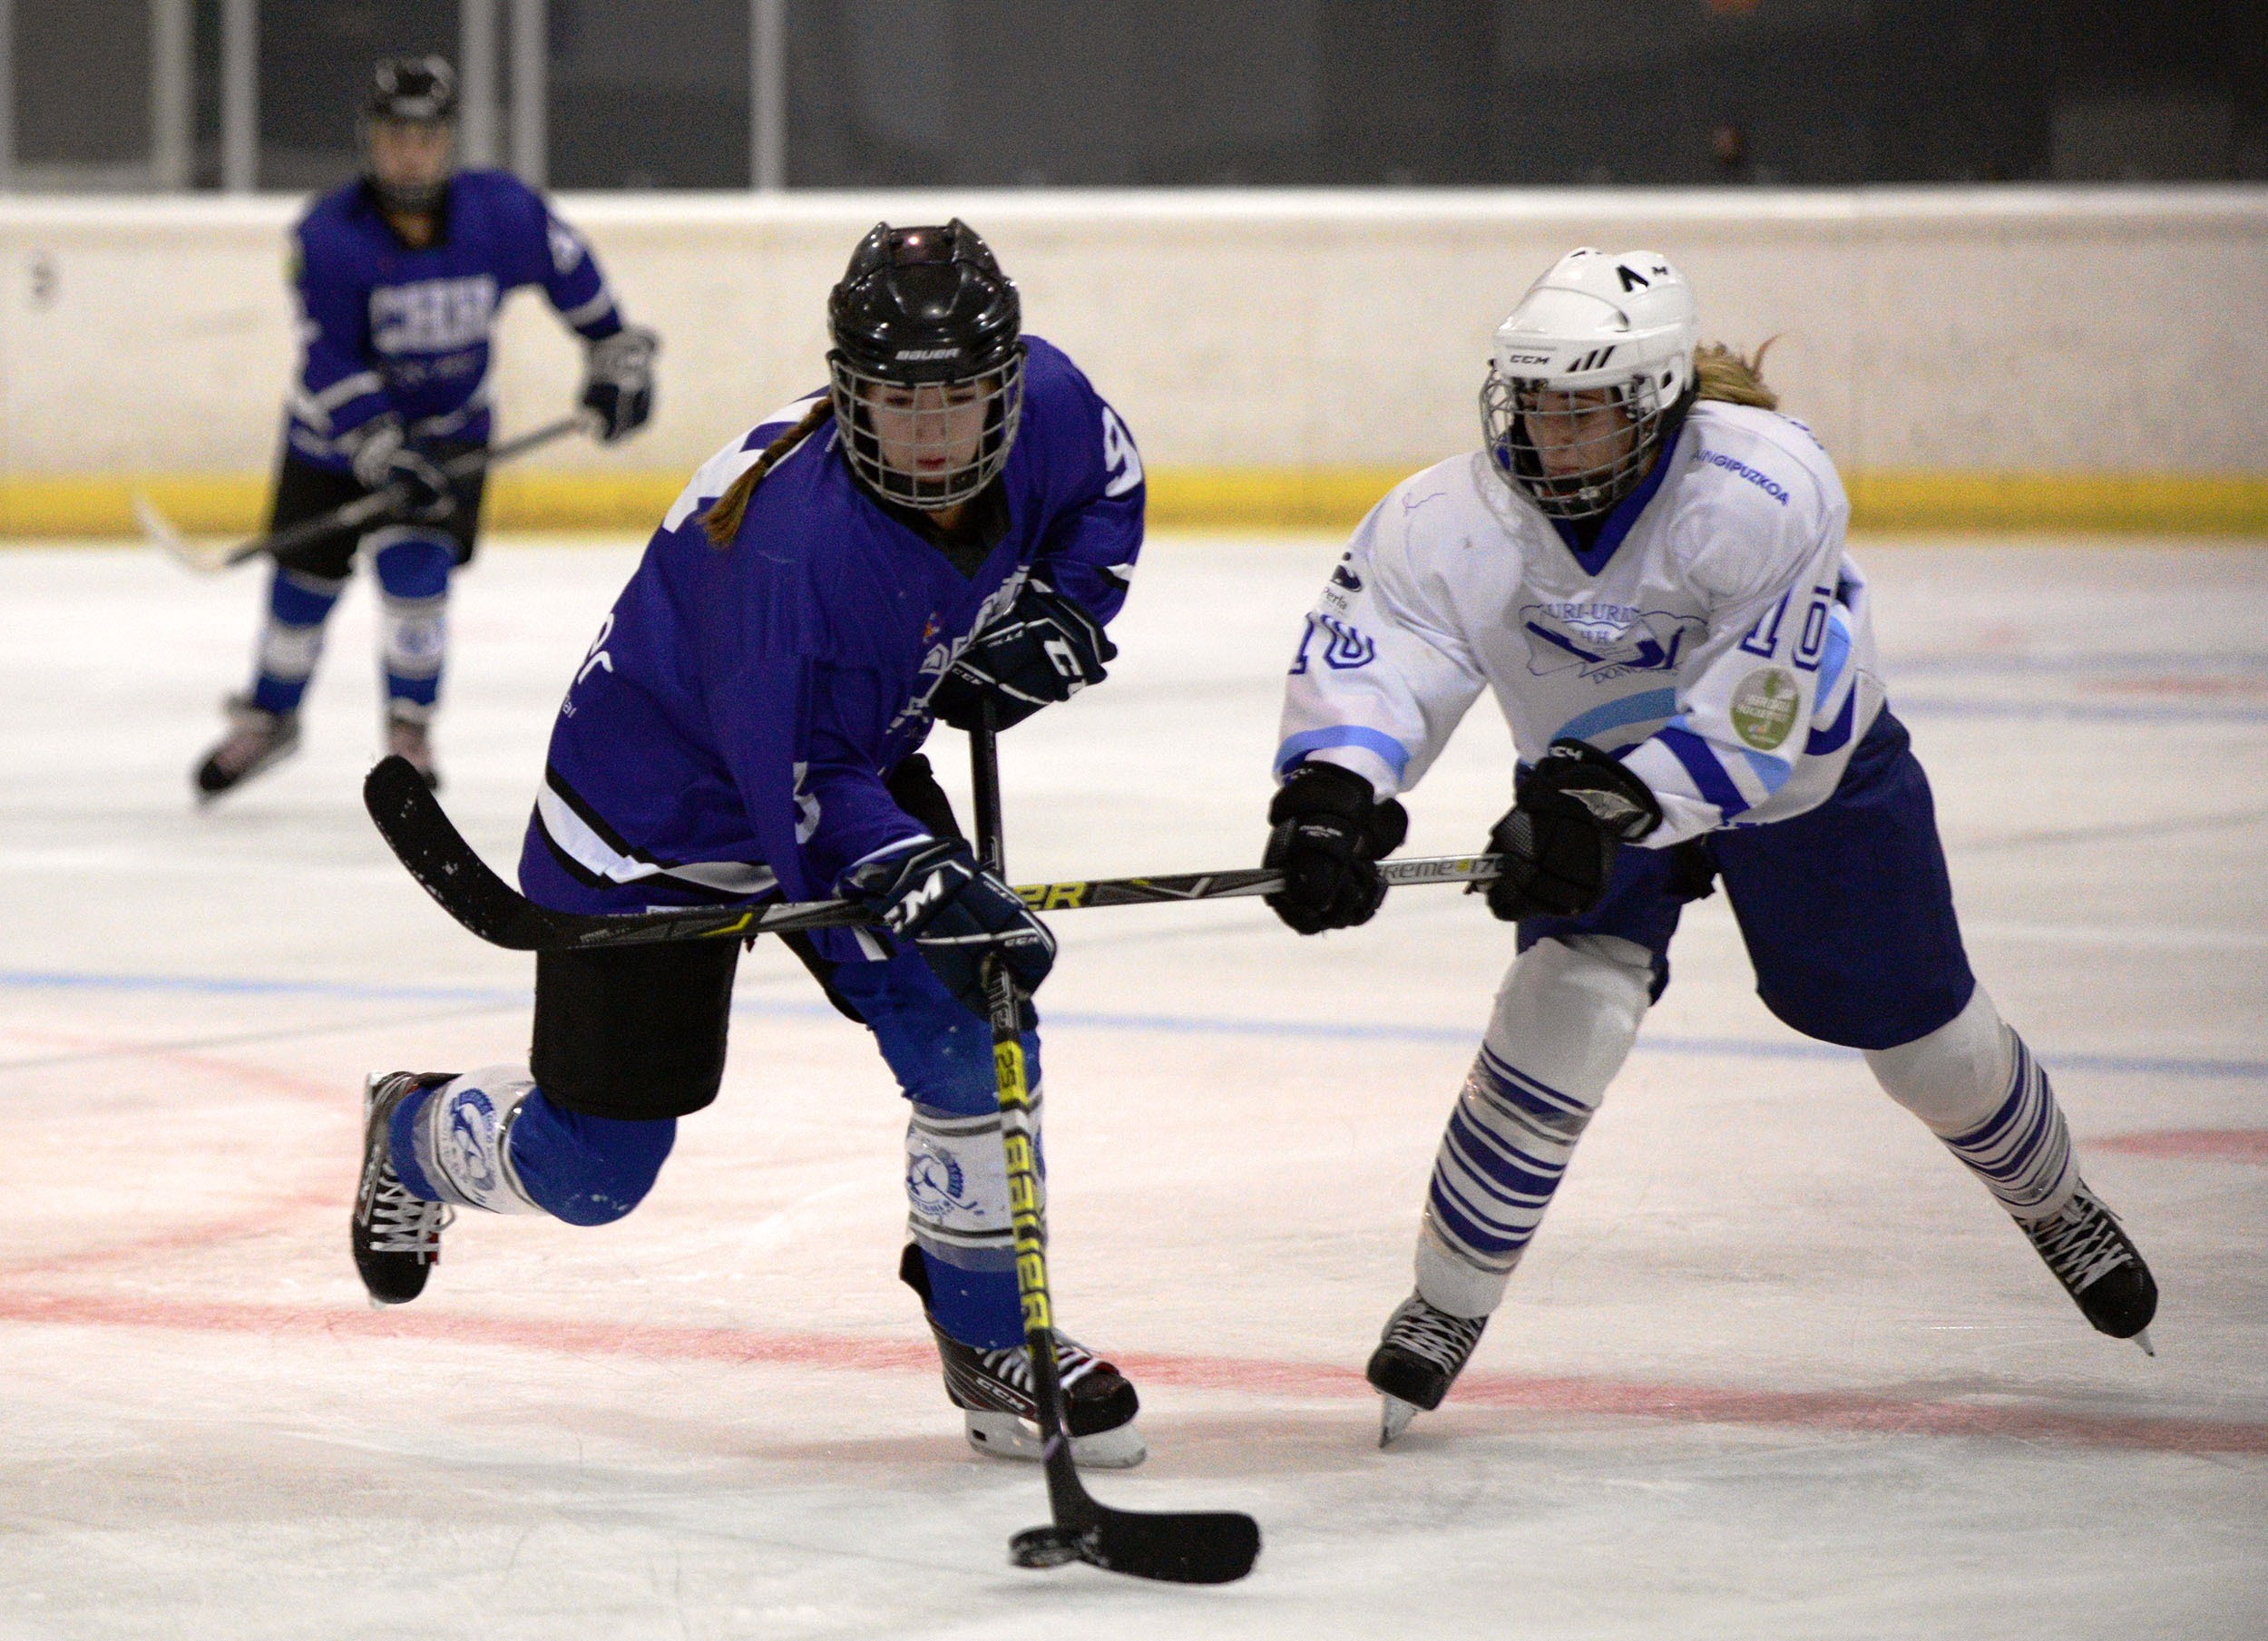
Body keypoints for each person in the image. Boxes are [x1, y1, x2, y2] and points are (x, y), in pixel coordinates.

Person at [1258, 247, 2159, 1444]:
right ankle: (1445, 1301)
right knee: (1561, 1006)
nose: (1551, 434)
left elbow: (1766, 719)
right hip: (1588, 778)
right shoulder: (1447, 517)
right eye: (1535, 401)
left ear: (1655, 403)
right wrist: (1333, 790)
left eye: (1583, 408)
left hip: (1801, 791)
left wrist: (1600, 808)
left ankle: (2055, 1200)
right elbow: (1381, 652)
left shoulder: (1765, 492)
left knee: (1928, 1047)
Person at [351, 220, 1152, 1468]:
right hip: (653, 819)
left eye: (959, 401)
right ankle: (411, 1127)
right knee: (597, 1170)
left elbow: (1107, 488)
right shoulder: (787, 556)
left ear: (1004, 383)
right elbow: (798, 800)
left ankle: (993, 1338)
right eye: (897, 403)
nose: (932, 435)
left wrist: (1064, 607)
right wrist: (924, 877)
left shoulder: (1048, 399)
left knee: (970, 1022)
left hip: (841, 756)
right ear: (849, 397)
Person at [194, 55, 658, 801]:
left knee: (418, 583)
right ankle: (272, 717)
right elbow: (326, 355)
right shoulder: (328, 235)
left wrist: (615, 357)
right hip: (332, 444)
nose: (409, 151)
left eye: (424, 135)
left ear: (448, 140)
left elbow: (581, 287)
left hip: (448, 436)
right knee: (301, 593)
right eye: (392, 135)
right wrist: (378, 446)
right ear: (369, 141)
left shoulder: (502, 212)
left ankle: (409, 735)